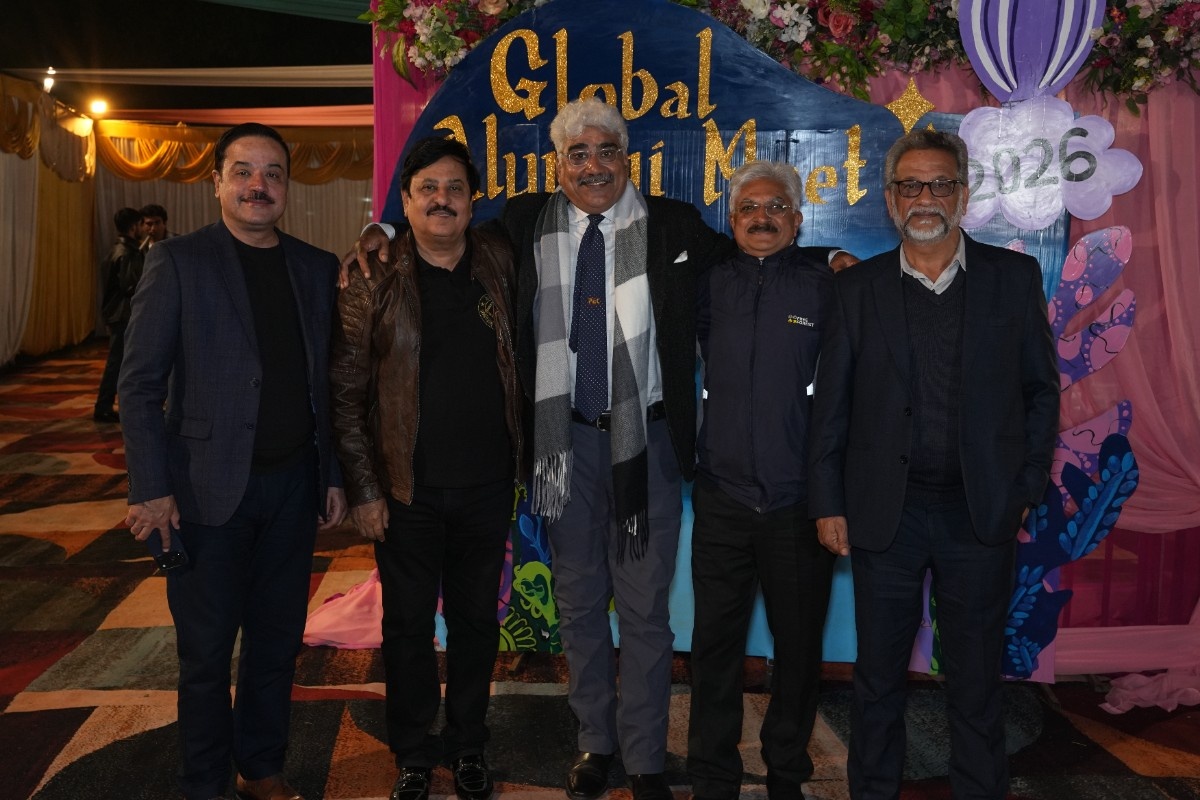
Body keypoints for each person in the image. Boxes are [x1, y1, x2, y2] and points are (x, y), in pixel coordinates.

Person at [345, 98, 730, 800]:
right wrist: (381, 230)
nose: (593, 165)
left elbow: (750, 261)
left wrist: (825, 259)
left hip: (646, 446)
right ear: (559, 166)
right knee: (579, 607)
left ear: (626, 159)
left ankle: (644, 756)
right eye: (577, 154)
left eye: (606, 151)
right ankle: (595, 743)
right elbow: (442, 225)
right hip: (565, 447)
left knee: (645, 612)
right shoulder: (525, 224)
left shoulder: (673, 224)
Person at [807, 129, 1059, 800]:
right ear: (891, 200)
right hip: (883, 516)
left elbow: (1041, 391)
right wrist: (828, 502)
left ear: (964, 196)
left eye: (940, 184)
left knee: (976, 682)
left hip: (979, 515)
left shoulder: (1012, 280)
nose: (926, 197)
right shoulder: (857, 290)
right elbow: (831, 408)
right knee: (877, 679)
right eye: (911, 185)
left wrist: (1026, 486)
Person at [119, 122, 347, 800]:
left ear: (287, 186)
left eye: (273, 173)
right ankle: (204, 783)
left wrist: (332, 474)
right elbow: (139, 386)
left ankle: (261, 769)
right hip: (201, 493)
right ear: (216, 182)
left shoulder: (315, 267)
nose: (258, 185)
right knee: (206, 654)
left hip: (293, 488)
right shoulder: (179, 261)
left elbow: (327, 384)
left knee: (277, 644)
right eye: (243, 171)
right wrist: (151, 487)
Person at [329, 137, 523, 800]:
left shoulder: (500, 258)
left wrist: (379, 227)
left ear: (473, 202)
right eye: (427, 189)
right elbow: (347, 391)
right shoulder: (373, 277)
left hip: (487, 486)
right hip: (404, 492)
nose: (442, 200)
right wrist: (364, 490)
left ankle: (468, 744)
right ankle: (412, 752)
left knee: (476, 625)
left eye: (455, 189)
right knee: (407, 628)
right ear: (406, 202)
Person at [688, 161, 843, 800]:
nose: (762, 217)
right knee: (713, 649)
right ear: (731, 220)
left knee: (798, 651)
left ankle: (786, 775)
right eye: (749, 207)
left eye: (776, 206)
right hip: (721, 497)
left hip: (798, 504)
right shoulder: (706, 283)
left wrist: (830, 257)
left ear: (798, 220)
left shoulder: (827, 285)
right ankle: (712, 778)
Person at [93, 207, 145, 423]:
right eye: (141, 224)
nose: (144, 229)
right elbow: (131, 286)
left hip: (117, 313)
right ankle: (104, 406)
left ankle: (109, 405)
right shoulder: (127, 253)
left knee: (120, 362)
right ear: (133, 227)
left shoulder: (116, 250)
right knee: (118, 363)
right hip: (123, 314)